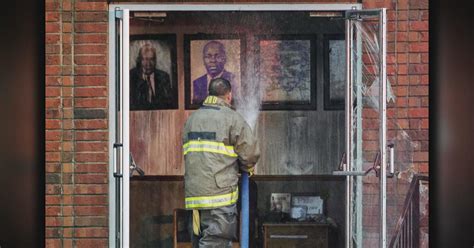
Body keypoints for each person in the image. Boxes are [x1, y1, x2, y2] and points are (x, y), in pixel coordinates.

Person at [182, 78, 260, 247]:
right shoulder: (232, 119)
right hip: (220, 198)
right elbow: (250, 154)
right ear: (229, 96)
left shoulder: (191, 120)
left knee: (201, 242)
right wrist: (245, 167)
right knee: (216, 243)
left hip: (194, 200)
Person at [130, 43, 175, 110]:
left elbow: (169, 104)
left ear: (155, 60)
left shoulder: (164, 77)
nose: (148, 64)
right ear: (140, 60)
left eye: (151, 59)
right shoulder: (131, 76)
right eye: (145, 59)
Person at [192, 41, 239, 105]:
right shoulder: (197, 82)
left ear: (224, 59)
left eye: (218, 56)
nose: (213, 60)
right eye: (208, 56)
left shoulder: (232, 79)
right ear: (203, 60)